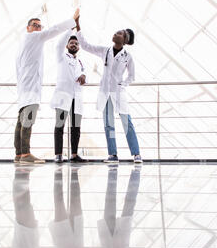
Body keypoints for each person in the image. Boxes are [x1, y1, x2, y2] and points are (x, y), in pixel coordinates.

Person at [14, 9, 80, 164]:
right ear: (28, 28)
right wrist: (72, 21)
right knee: (28, 119)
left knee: (21, 120)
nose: (38, 28)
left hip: (24, 85)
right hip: (30, 87)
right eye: (35, 25)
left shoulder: (23, 42)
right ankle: (25, 154)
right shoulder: (33, 37)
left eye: (39, 26)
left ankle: (18, 154)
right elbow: (54, 30)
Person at [75, 18, 143, 164]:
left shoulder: (128, 57)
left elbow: (131, 76)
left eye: (120, 33)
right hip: (106, 93)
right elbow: (86, 46)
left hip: (118, 93)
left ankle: (136, 154)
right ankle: (113, 154)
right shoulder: (105, 51)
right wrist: (78, 25)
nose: (116, 33)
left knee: (127, 123)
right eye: (117, 32)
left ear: (124, 40)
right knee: (109, 124)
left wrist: (122, 85)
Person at [50, 31, 88, 163]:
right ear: (67, 45)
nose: (74, 45)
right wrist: (70, 29)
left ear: (79, 47)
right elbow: (58, 44)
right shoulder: (61, 56)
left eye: (76, 43)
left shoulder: (80, 62)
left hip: (76, 97)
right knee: (59, 125)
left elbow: (84, 73)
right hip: (63, 96)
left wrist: (84, 76)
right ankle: (58, 155)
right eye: (71, 43)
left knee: (76, 127)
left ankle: (74, 154)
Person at [97, 165, 141, 248]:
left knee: (123, 203)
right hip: (115, 243)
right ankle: (118, 174)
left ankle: (132, 175)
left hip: (114, 242)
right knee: (113, 202)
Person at [48, 166, 86, 248]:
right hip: (76, 244)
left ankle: (58, 171)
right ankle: (73, 171)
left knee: (59, 201)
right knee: (75, 199)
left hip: (63, 246)